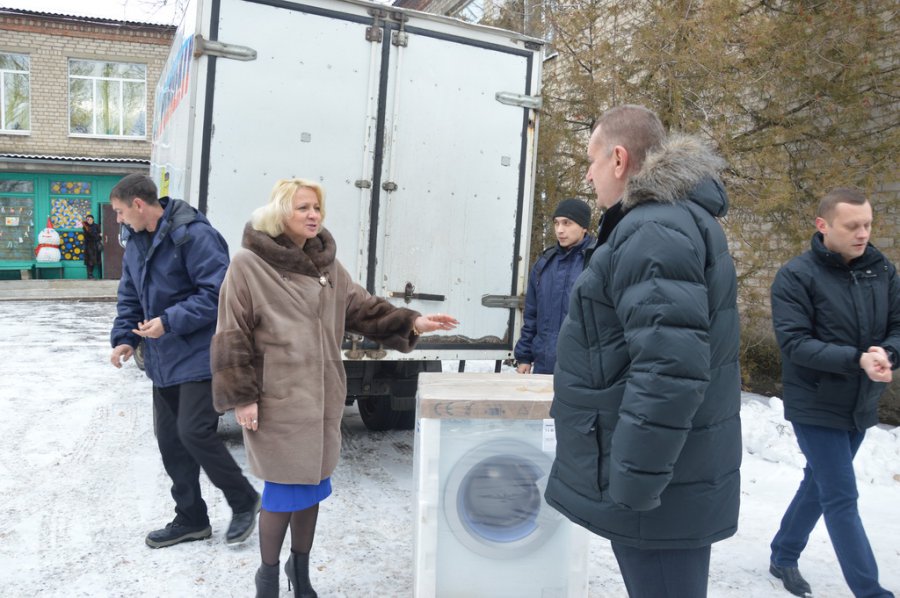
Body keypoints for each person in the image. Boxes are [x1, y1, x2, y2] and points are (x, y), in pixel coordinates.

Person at [209, 178, 458, 598]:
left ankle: (300, 572)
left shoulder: (326, 266)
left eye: (317, 209)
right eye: (303, 207)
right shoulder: (248, 265)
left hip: (322, 396)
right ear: (280, 213)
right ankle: (267, 577)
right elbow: (232, 333)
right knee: (282, 491)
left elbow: (363, 308)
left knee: (312, 489)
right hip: (277, 399)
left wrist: (412, 322)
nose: (313, 216)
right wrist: (243, 397)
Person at [544, 104, 742, 598]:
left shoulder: (653, 229)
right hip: (667, 477)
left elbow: (667, 371)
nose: (587, 176)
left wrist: (632, 486)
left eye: (590, 160)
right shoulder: (662, 221)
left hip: (657, 491)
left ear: (617, 158)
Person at [108, 173, 260, 549]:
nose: (119, 219)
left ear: (139, 205)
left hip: (199, 355)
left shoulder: (193, 235)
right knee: (171, 442)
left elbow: (218, 294)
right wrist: (125, 338)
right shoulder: (136, 245)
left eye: (120, 211)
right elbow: (129, 297)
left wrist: (169, 321)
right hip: (163, 359)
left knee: (194, 432)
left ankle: (244, 500)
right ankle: (191, 518)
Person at [768, 187, 898, 598]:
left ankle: (783, 552)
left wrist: (888, 353)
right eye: (853, 226)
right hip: (815, 403)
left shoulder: (882, 270)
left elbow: (898, 325)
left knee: (818, 483)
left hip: (860, 402)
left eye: (868, 225)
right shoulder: (796, 276)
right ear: (823, 226)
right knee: (841, 495)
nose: (863, 234)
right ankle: (871, 592)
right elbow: (795, 344)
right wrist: (857, 359)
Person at [514, 198, 595, 375]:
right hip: (544, 366)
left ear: (584, 227)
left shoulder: (597, 261)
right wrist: (524, 357)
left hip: (583, 369)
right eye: (556, 223)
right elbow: (531, 316)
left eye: (567, 223)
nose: (560, 230)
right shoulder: (544, 264)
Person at [81, 214, 101, 279]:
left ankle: (98, 275)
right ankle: (89, 275)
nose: (89, 220)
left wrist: (97, 236)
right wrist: (97, 235)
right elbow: (88, 236)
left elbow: (100, 234)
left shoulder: (97, 226)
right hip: (89, 246)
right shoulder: (85, 227)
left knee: (97, 260)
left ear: (93, 219)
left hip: (96, 245)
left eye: (90, 219)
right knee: (89, 261)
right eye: (87, 219)